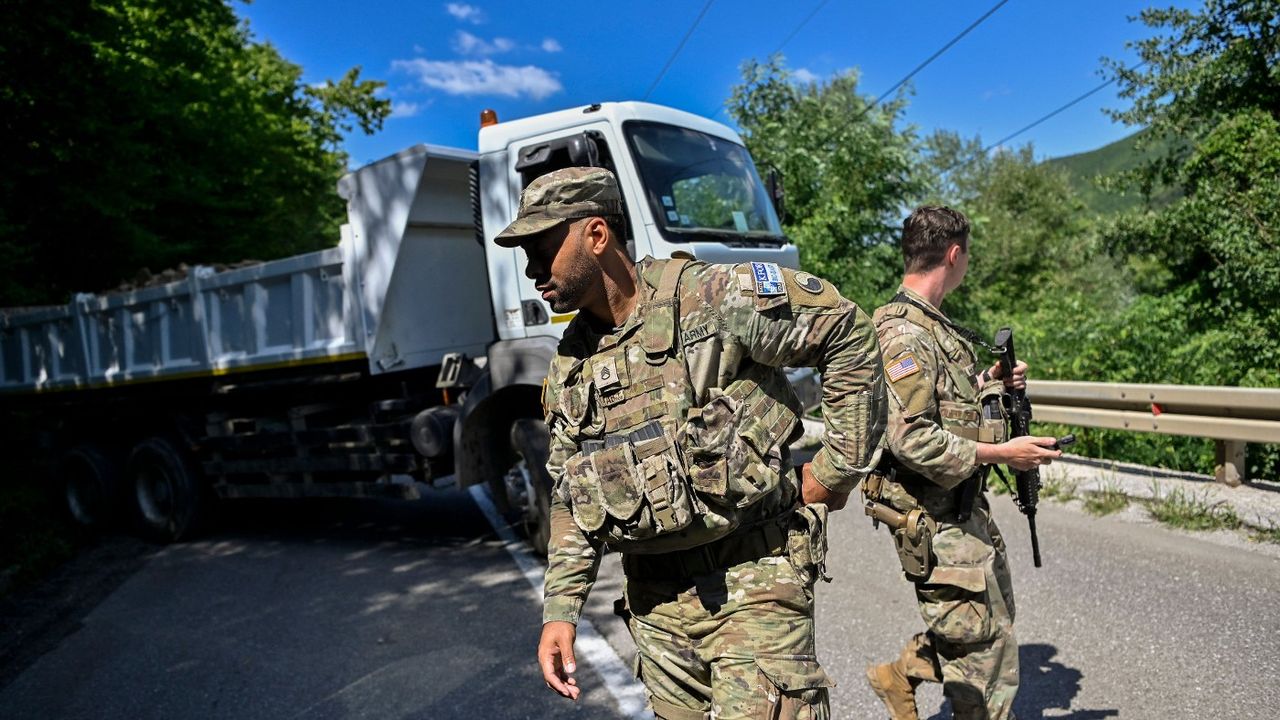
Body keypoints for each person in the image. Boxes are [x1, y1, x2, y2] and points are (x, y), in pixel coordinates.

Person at [494, 166, 886, 720]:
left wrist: (837, 468)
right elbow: (568, 492)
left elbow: (848, 333)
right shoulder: (569, 366)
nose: (532, 270)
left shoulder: (712, 297)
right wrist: (560, 609)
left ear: (597, 236)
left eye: (543, 247)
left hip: (754, 581)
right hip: (656, 608)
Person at [864, 206, 1061, 720]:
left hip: (960, 506)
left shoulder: (933, 327)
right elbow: (912, 439)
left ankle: (899, 675)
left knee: (986, 624)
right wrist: (1002, 454)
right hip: (931, 515)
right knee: (982, 654)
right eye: (967, 254)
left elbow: (944, 408)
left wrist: (991, 383)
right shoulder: (903, 335)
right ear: (955, 255)